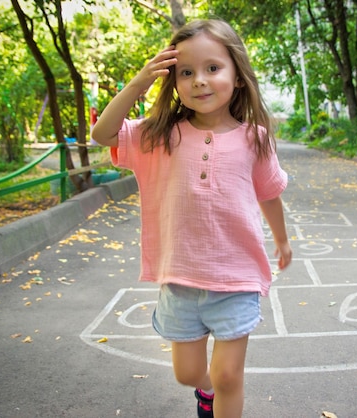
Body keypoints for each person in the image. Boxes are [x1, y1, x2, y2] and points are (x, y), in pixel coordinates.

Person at [91, 19, 292, 418]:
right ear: (174, 81)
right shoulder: (159, 136)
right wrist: (139, 83)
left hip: (237, 276)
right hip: (180, 280)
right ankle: (207, 393)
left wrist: (282, 240)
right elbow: (102, 134)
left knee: (229, 375)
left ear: (237, 76)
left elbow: (269, 193)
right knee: (189, 374)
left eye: (213, 68)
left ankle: (219, 396)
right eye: (186, 72)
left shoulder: (256, 138)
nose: (199, 80)